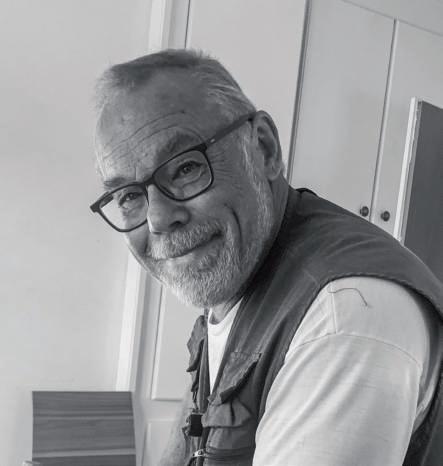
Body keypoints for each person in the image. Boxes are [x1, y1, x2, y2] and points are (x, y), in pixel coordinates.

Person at [90, 49, 443, 466]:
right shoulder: (237, 275)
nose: (159, 219)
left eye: (185, 168)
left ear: (264, 148)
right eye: (129, 196)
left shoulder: (345, 315)